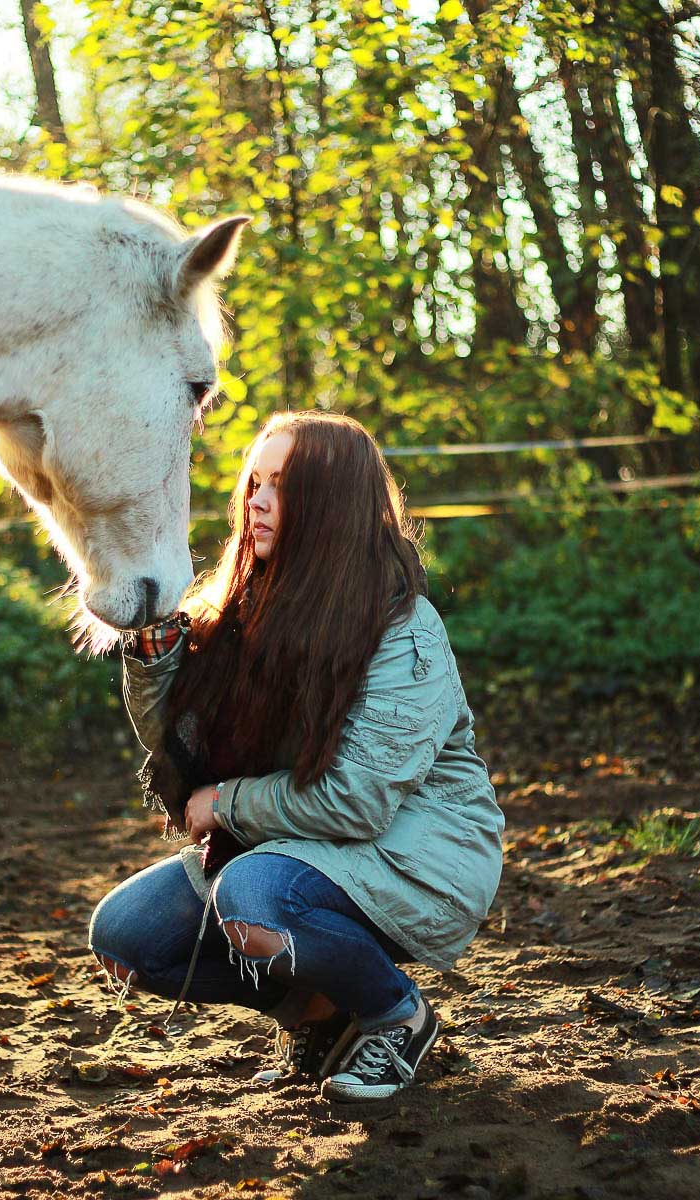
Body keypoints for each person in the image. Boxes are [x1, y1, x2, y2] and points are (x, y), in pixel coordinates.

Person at [88, 410, 505, 1105]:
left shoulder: (401, 628)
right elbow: (179, 743)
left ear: (330, 504)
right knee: (128, 937)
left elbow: (357, 800)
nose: (255, 500)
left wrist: (226, 804)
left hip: (418, 856)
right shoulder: (250, 609)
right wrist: (153, 664)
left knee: (254, 902)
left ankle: (395, 1015)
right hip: (291, 847)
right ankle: (317, 1015)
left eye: (279, 485)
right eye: (254, 481)